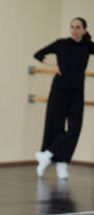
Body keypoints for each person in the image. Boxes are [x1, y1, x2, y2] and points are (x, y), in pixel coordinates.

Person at [34, 17, 94, 179]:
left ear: (84, 30)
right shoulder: (61, 43)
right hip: (59, 91)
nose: (74, 30)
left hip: (76, 92)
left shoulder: (87, 46)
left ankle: (47, 154)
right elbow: (38, 54)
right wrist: (52, 64)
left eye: (78, 27)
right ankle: (61, 165)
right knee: (56, 127)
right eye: (72, 27)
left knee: (75, 128)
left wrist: (89, 38)